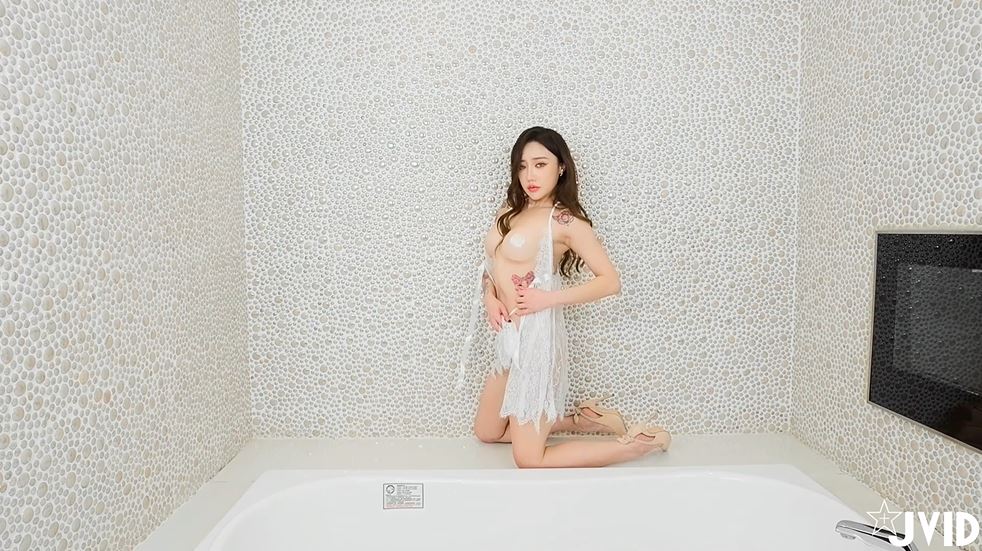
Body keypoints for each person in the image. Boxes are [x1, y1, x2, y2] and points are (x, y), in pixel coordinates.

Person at [468, 126, 671, 468]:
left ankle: (639, 444)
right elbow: (493, 264)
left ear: (561, 167)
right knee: (487, 432)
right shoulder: (510, 210)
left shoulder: (565, 221)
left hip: (536, 342)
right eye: (522, 166)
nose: (530, 176)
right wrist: (490, 296)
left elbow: (610, 282)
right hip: (508, 339)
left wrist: (547, 299)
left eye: (540, 164)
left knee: (528, 459)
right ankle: (585, 421)